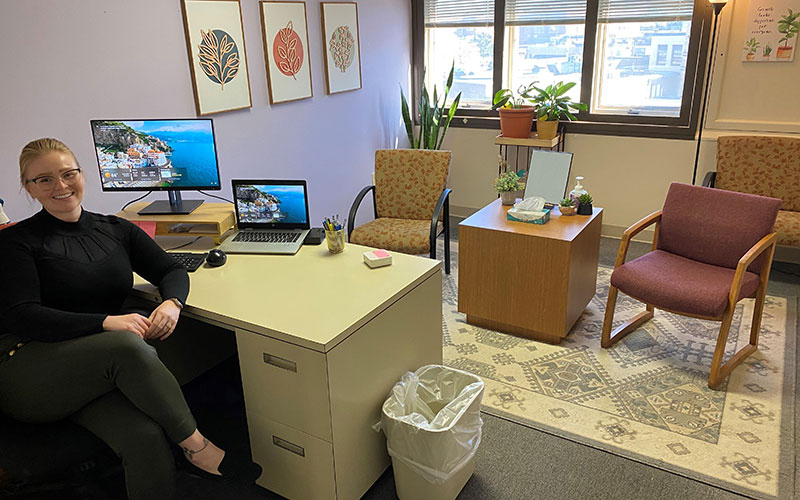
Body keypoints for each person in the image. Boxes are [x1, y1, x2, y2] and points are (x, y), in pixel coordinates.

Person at [0, 138, 261, 499]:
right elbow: (23, 315)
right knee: (126, 346)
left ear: (81, 175)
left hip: (94, 367)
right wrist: (105, 322)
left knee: (146, 438)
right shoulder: (16, 242)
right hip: (28, 367)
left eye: (68, 173)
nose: (60, 185)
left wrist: (172, 303)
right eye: (44, 180)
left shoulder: (115, 228)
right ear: (28, 188)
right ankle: (197, 448)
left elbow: (170, 269)